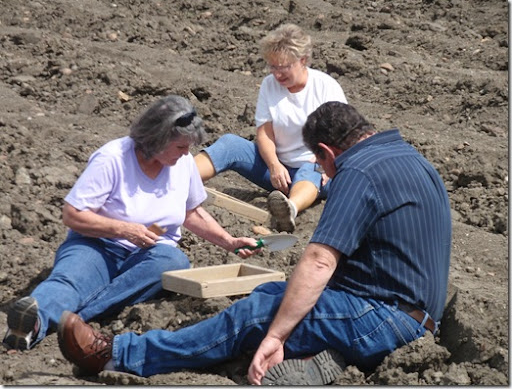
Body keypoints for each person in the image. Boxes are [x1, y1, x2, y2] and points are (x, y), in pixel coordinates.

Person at [57, 102, 452, 385]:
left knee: (260, 311)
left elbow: (317, 261)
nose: (323, 174)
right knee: (278, 297)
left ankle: (117, 354)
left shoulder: (359, 173)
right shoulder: (413, 160)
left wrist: (276, 335)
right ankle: (326, 356)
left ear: (328, 152)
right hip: (414, 316)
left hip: (383, 318)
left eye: (321, 166)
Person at [2, 95, 258, 351]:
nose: (186, 154)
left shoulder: (184, 164)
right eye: (181, 147)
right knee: (70, 281)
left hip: (150, 252)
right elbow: (73, 214)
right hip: (97, 244)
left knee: (173, 262)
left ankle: (78, 319)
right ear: (159, 138)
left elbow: (191, 212)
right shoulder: (112, 158)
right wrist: (123, 229)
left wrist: (230, 242)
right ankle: (32, 323)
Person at [194, 23, 348, 232]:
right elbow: (265, 133)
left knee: (309, 168)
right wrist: (274, 165)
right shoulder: (269, 85)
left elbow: (341, 136)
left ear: (302, 60)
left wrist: (327, 164)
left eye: (283, 67)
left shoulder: (325, 87)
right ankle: (177, 179)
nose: (277, 74)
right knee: (230, 144)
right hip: (280, 173)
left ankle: (289, 210)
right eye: (272, 67)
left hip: (318, 170)